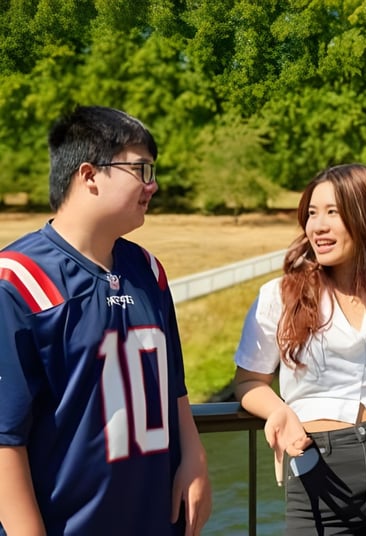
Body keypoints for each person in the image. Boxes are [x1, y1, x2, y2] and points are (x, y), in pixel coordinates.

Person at [0, 106, 211, 535]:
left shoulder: (148, 271)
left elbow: (174, 388)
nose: (153, 185)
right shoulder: (18, 281)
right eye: (141, 169)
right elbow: (4, 442)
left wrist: (195, 460)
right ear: (89, 174)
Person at [233, 163, 366, 535]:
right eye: (312, 214)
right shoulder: (280, 296)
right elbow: (248, 381)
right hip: (317, 469)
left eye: (333, 212)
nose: (318, 226)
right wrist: (278, 412)